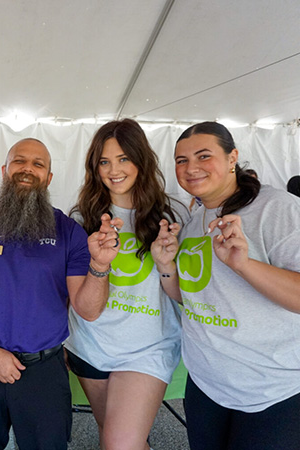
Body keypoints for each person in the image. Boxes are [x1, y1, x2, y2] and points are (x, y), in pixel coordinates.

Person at [0, 138, 122, 450]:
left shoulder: (68, 231)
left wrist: (99, 266)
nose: (27, 169)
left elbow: (89, 309)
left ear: (49, 178)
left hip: (45, 370)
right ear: (4, 170)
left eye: (38, 164)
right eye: (19, 161)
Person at [158, 121, 300, 450]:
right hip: (207, 385)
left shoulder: (279, 209)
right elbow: (188, 297)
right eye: (181, 160)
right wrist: (165, 266)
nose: (191, 168)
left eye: (204, 156)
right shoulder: (195, 221)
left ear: (233, 157)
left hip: (278, 389)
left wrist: (245, 265)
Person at [65, 119, 184, 450]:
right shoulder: (82, 219)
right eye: (104, 161)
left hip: (147, 349)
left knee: (120, 444)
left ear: (141, 160)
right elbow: (76, 299)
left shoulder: (171, 216)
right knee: (114, 437)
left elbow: (182, 292)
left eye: (123, 159)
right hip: (90, 346)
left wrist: (165, 264)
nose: (113, 170)